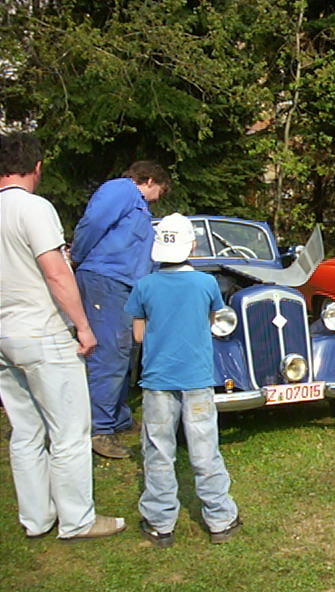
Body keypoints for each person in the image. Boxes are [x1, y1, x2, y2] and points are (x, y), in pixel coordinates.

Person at [0, 131, 126, 540]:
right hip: (43, 331)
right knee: (70, 430)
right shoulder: (34, 209)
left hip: (4, 334)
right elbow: (56, 272)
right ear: (37, 167)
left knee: (26, 431)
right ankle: (77, 519)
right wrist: (83, 326)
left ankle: (36, 518)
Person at [124, 213, 241, 547]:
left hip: (158, 379)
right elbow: (211, 321)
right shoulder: (207, 284)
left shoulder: (144, 286)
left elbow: (138, 335)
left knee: (159, 450)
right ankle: (220, 519)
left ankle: (160, 523)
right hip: (197, 378)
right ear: (192, 246)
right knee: (205, 449)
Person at [71, 161, 170, 459]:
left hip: (123, 285)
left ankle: (118, 417)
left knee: (124, 351)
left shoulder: (137, 205)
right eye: (159, 192)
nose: (157, 199)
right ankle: (99, 429)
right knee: (109, 353)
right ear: (149, 180)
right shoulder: (121, 190)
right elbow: (93, 223)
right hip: (105, 280)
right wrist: (78, 256)